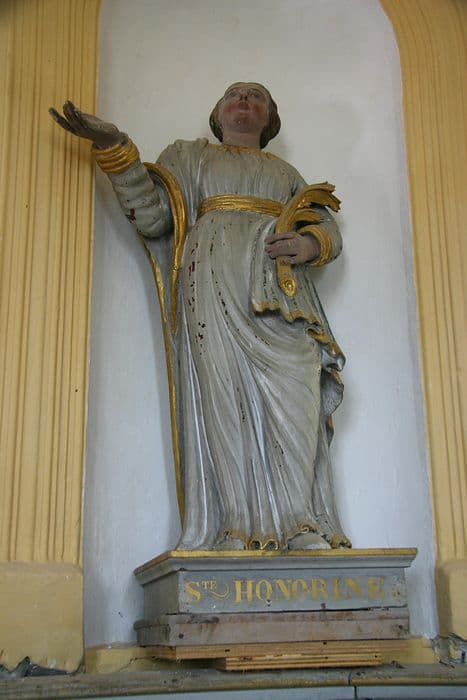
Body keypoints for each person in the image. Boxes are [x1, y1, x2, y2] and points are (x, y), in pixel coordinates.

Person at [50, 82, 350, 551]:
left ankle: (300, 521)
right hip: (211, 280)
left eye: (257, 96)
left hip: (281, 287)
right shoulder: (189, 157)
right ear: (217, 113)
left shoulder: (286, 173)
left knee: (299, 389)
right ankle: (237, 524)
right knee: (222, 396)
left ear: (270, 118)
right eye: (234, 94)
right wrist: (116, 149)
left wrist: (310, 244)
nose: (244, 100)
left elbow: (323, 224)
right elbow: (153, 218)